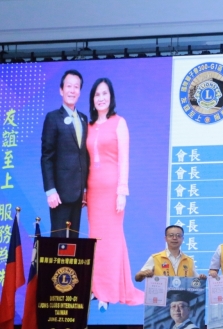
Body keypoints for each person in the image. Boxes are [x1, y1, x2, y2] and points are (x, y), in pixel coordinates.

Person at [83, 78, 144, 310]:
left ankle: (110, 292)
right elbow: (84, 161)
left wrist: (122, 191)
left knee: (112, 240)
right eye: (97, 94)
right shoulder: (88, 126)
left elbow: (124, 159)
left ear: (111, 97)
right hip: (93, 191)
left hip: (112, 191)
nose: (101, 98)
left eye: (105, 93)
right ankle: (96, 288)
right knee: (95, 240)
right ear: (92, 99)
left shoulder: (119, 122)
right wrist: (84, 191)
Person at [41, 69, 89, 238]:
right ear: (61, 90)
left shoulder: (83, 119)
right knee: (58, 243)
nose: (72, 90)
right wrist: (50, 190)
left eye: (76, 87)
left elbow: (84, 156)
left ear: (80, 92)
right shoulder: (53, 118)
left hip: (78, 195)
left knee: (74, 243)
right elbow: (47, 156)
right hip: (59, 194)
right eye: (69, 86)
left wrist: (84, 189)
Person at [136, 225, 205, 281]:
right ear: (165, 238)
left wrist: (201, 278)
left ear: (182, 239)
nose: (174, 238)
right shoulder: (155, 258)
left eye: (178, 235)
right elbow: (137, 278)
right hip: (162, 294)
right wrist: (143, 273)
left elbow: (196, 280)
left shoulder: (189, 260)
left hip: (182, 294)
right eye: (171, 235)